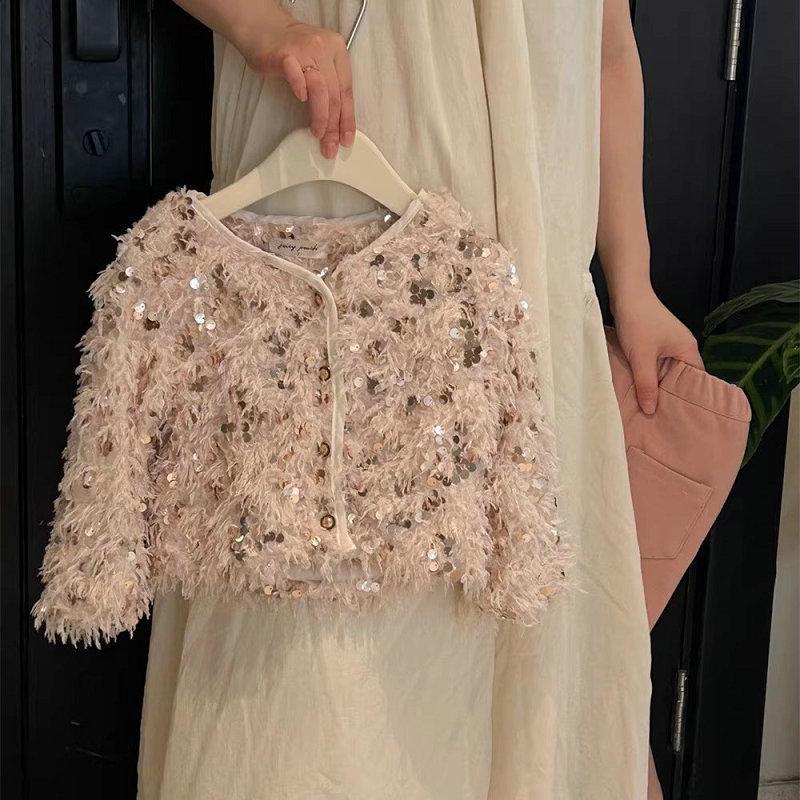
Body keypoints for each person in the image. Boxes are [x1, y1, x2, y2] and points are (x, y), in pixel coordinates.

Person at [136, 2, 704, 798]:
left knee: (514, 644)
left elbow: (607, 51)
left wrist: (633, 282)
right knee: (314, 664)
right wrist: (263, 27)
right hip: (335, 222)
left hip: (533, 285)